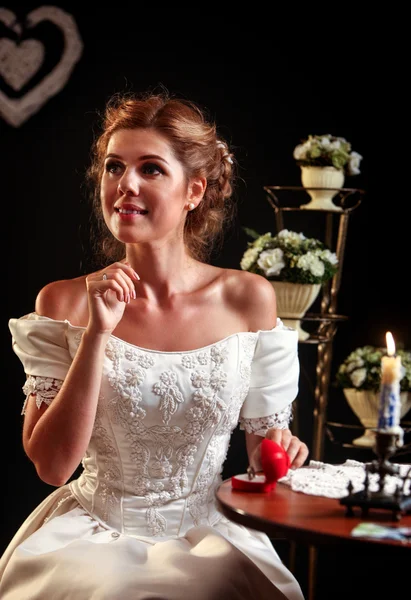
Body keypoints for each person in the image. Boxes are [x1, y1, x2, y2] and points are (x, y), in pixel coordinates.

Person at [0, 89, 309, 600]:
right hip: (96, 535)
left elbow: (264, 462)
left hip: (213, 533)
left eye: (151, 169)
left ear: (194, 191)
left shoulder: (247, 299)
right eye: (115, 167)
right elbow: (53, 468)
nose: (126, 185)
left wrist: (283, 456)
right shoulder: (62, 303)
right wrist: (98, 333)